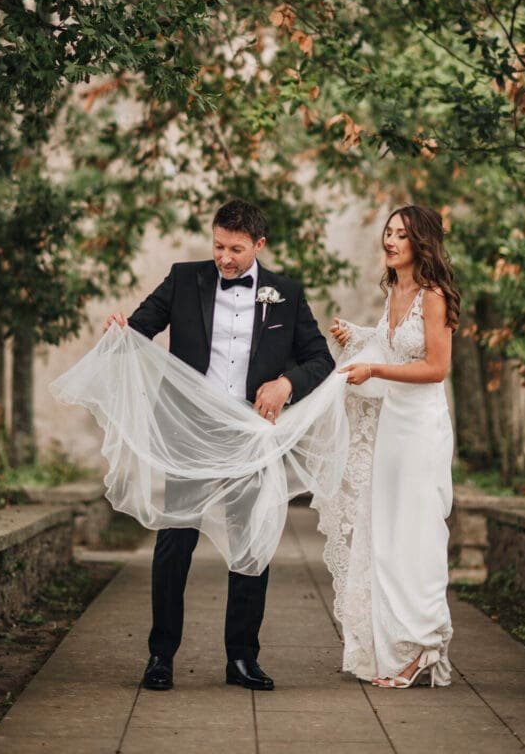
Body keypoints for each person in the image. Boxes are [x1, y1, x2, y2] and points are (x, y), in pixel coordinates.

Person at [103, 199, 335, 693]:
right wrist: (121, 331)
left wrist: (285, 385)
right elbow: (141, 328)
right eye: (218, 246)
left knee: (252, 544)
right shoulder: (185, 279)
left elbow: (320, 360)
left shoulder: (287, 295)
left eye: (235, 249)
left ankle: (242, 659)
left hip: (250, 437)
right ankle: (161, 655)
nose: (224, 258)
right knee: (174, 543)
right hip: (191, 432)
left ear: (259, 245)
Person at [323, 204, 460, 688]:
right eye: (388, 232)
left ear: (421, 242)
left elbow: (434, 369)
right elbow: (391, 345)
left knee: (415, 534)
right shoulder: (395, 291)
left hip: (420, 429)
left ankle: (421, 646)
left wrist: (374, 369)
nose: (391, 240)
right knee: (387, 534)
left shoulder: (434, 296)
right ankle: (391, 644)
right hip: (391, 427)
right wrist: (357, 337)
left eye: (401, 234)